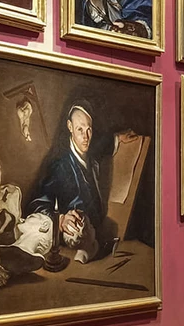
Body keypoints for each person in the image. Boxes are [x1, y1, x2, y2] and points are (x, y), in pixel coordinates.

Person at [26, 102, 130, 266]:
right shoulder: (60, 167)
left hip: (98, 233)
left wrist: (117, 139)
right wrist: (61, 220)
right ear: (70, 127)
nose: (86, 136)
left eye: (89, 129)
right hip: (73, 241)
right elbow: (36, 204)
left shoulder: (90, 152)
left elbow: (101, 146)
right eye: (80, 129)